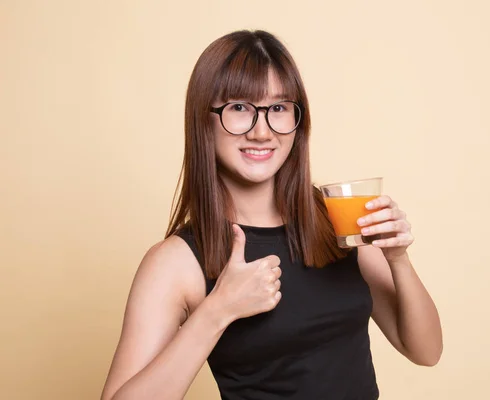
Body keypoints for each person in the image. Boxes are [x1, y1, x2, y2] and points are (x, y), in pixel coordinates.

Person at [100, 30, 443, 400]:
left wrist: (398, 259)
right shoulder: (176, 262)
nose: (262, 132)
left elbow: (425, 352)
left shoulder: (337, 222)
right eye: (239, 108)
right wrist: (216, 312)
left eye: (278, 109)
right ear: (204, 120)